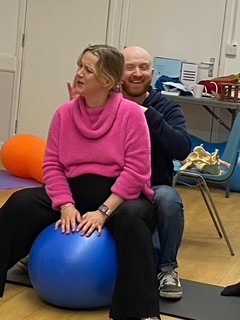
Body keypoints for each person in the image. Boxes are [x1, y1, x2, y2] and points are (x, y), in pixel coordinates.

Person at [0, 44, 160, 320]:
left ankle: (140, 314)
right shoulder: (64, 113)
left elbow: (136, 171)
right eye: (80, 66)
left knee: (133, 220)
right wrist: (64, 205)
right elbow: (52, 165)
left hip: (122, 197)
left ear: (107, 81)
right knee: (20, 203)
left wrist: (104, 211)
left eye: (88, 69)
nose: (79, 74)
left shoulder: (132, 115)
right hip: (74, 192)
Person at [67, 46, 192, 300]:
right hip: (108, 182)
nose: (137, 73)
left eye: (143, 68)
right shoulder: (104, 102)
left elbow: (181, 149)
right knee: (72, 186)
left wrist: (148, 117)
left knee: (169, 200)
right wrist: (76, 110)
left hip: (151, 185)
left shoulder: (166, 108)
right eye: (130, 67)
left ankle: (168, 269)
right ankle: (49, 246)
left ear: (152, 73)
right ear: (115, 74)